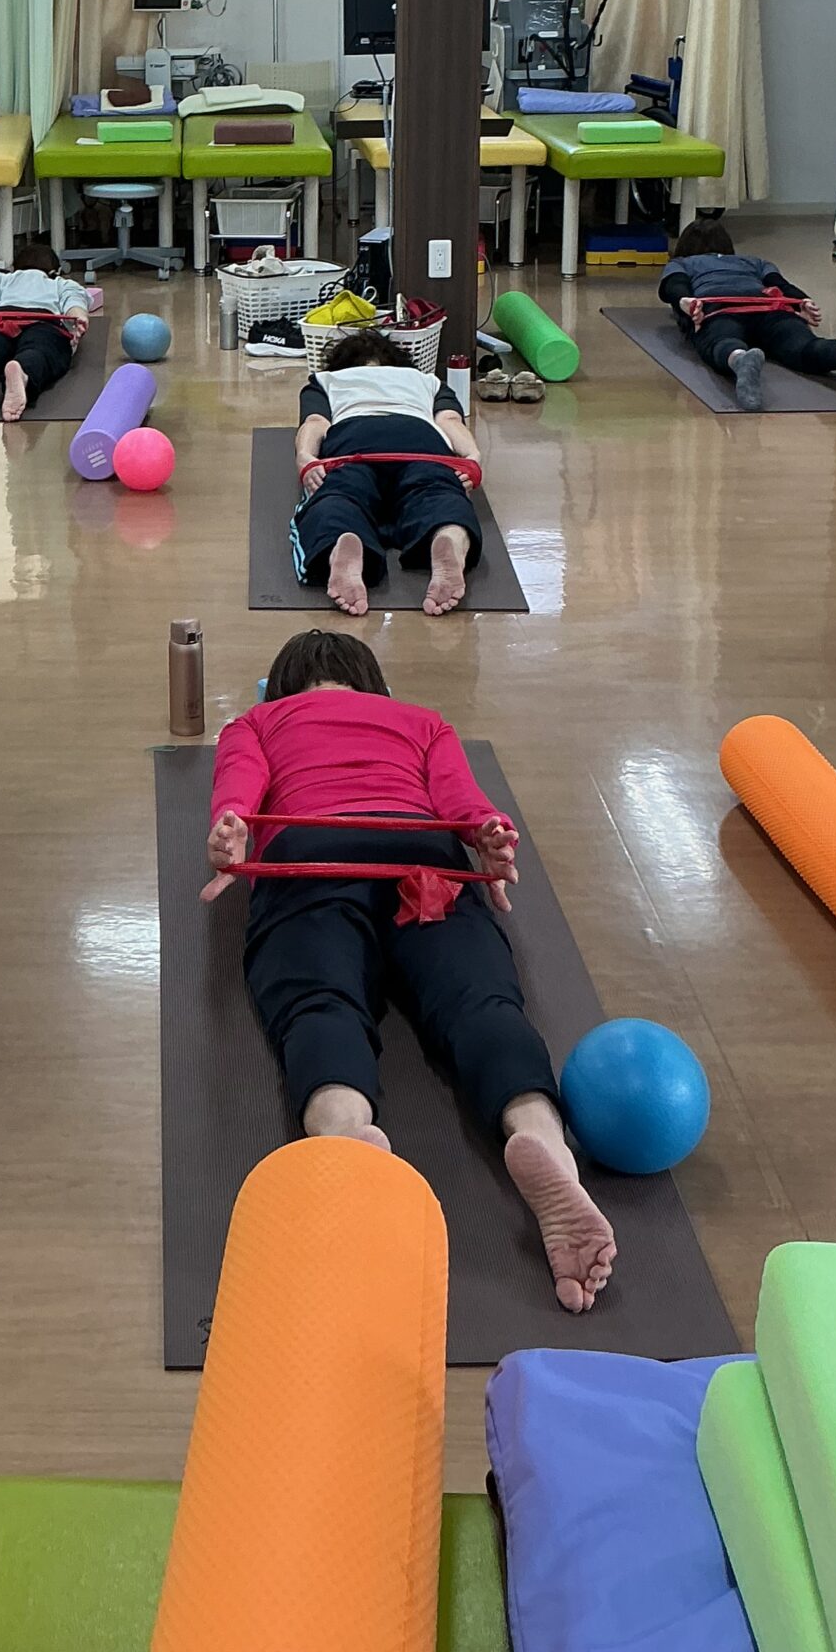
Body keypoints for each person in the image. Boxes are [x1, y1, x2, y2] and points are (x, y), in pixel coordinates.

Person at [204, 630, 616, 1315]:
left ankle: (347, 1133)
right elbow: (461, 799)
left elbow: (237, 789)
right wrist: (486, 831)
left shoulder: (257, 721)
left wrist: (234, 825)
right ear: (374, 686)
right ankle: (541, 1138)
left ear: (281, 687)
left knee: (321, 1001)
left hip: (313, 853)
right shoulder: (422, 720)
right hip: (423, 858)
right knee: (481, 1004)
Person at [293, 327, 483, 617]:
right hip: (421, 443)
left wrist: (306, 458)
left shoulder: (325, 380)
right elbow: (450, 420)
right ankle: (449, 534)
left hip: (354, 444)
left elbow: (315, 422)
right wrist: (472, 457)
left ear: (340, 364)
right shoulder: (427, 381)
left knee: (339, 497)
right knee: (438, 495)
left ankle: (341, 538)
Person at [661, 219, 836, 411]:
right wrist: (802, 301)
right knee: (806, 347)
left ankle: (740, 358)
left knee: (720, 342)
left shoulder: (682, 263)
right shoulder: (753, 262)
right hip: (771, 308)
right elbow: (780, 284)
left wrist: (686, 301)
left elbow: (674, 286)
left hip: (722, 308)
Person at [0, 240, 92, 422]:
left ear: (14, 268)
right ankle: (23, 372)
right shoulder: (61, 283)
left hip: (0, 318)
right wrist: (78, 316)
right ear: (56, 271)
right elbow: (74, 299)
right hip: (43, 321)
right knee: (41, 351)